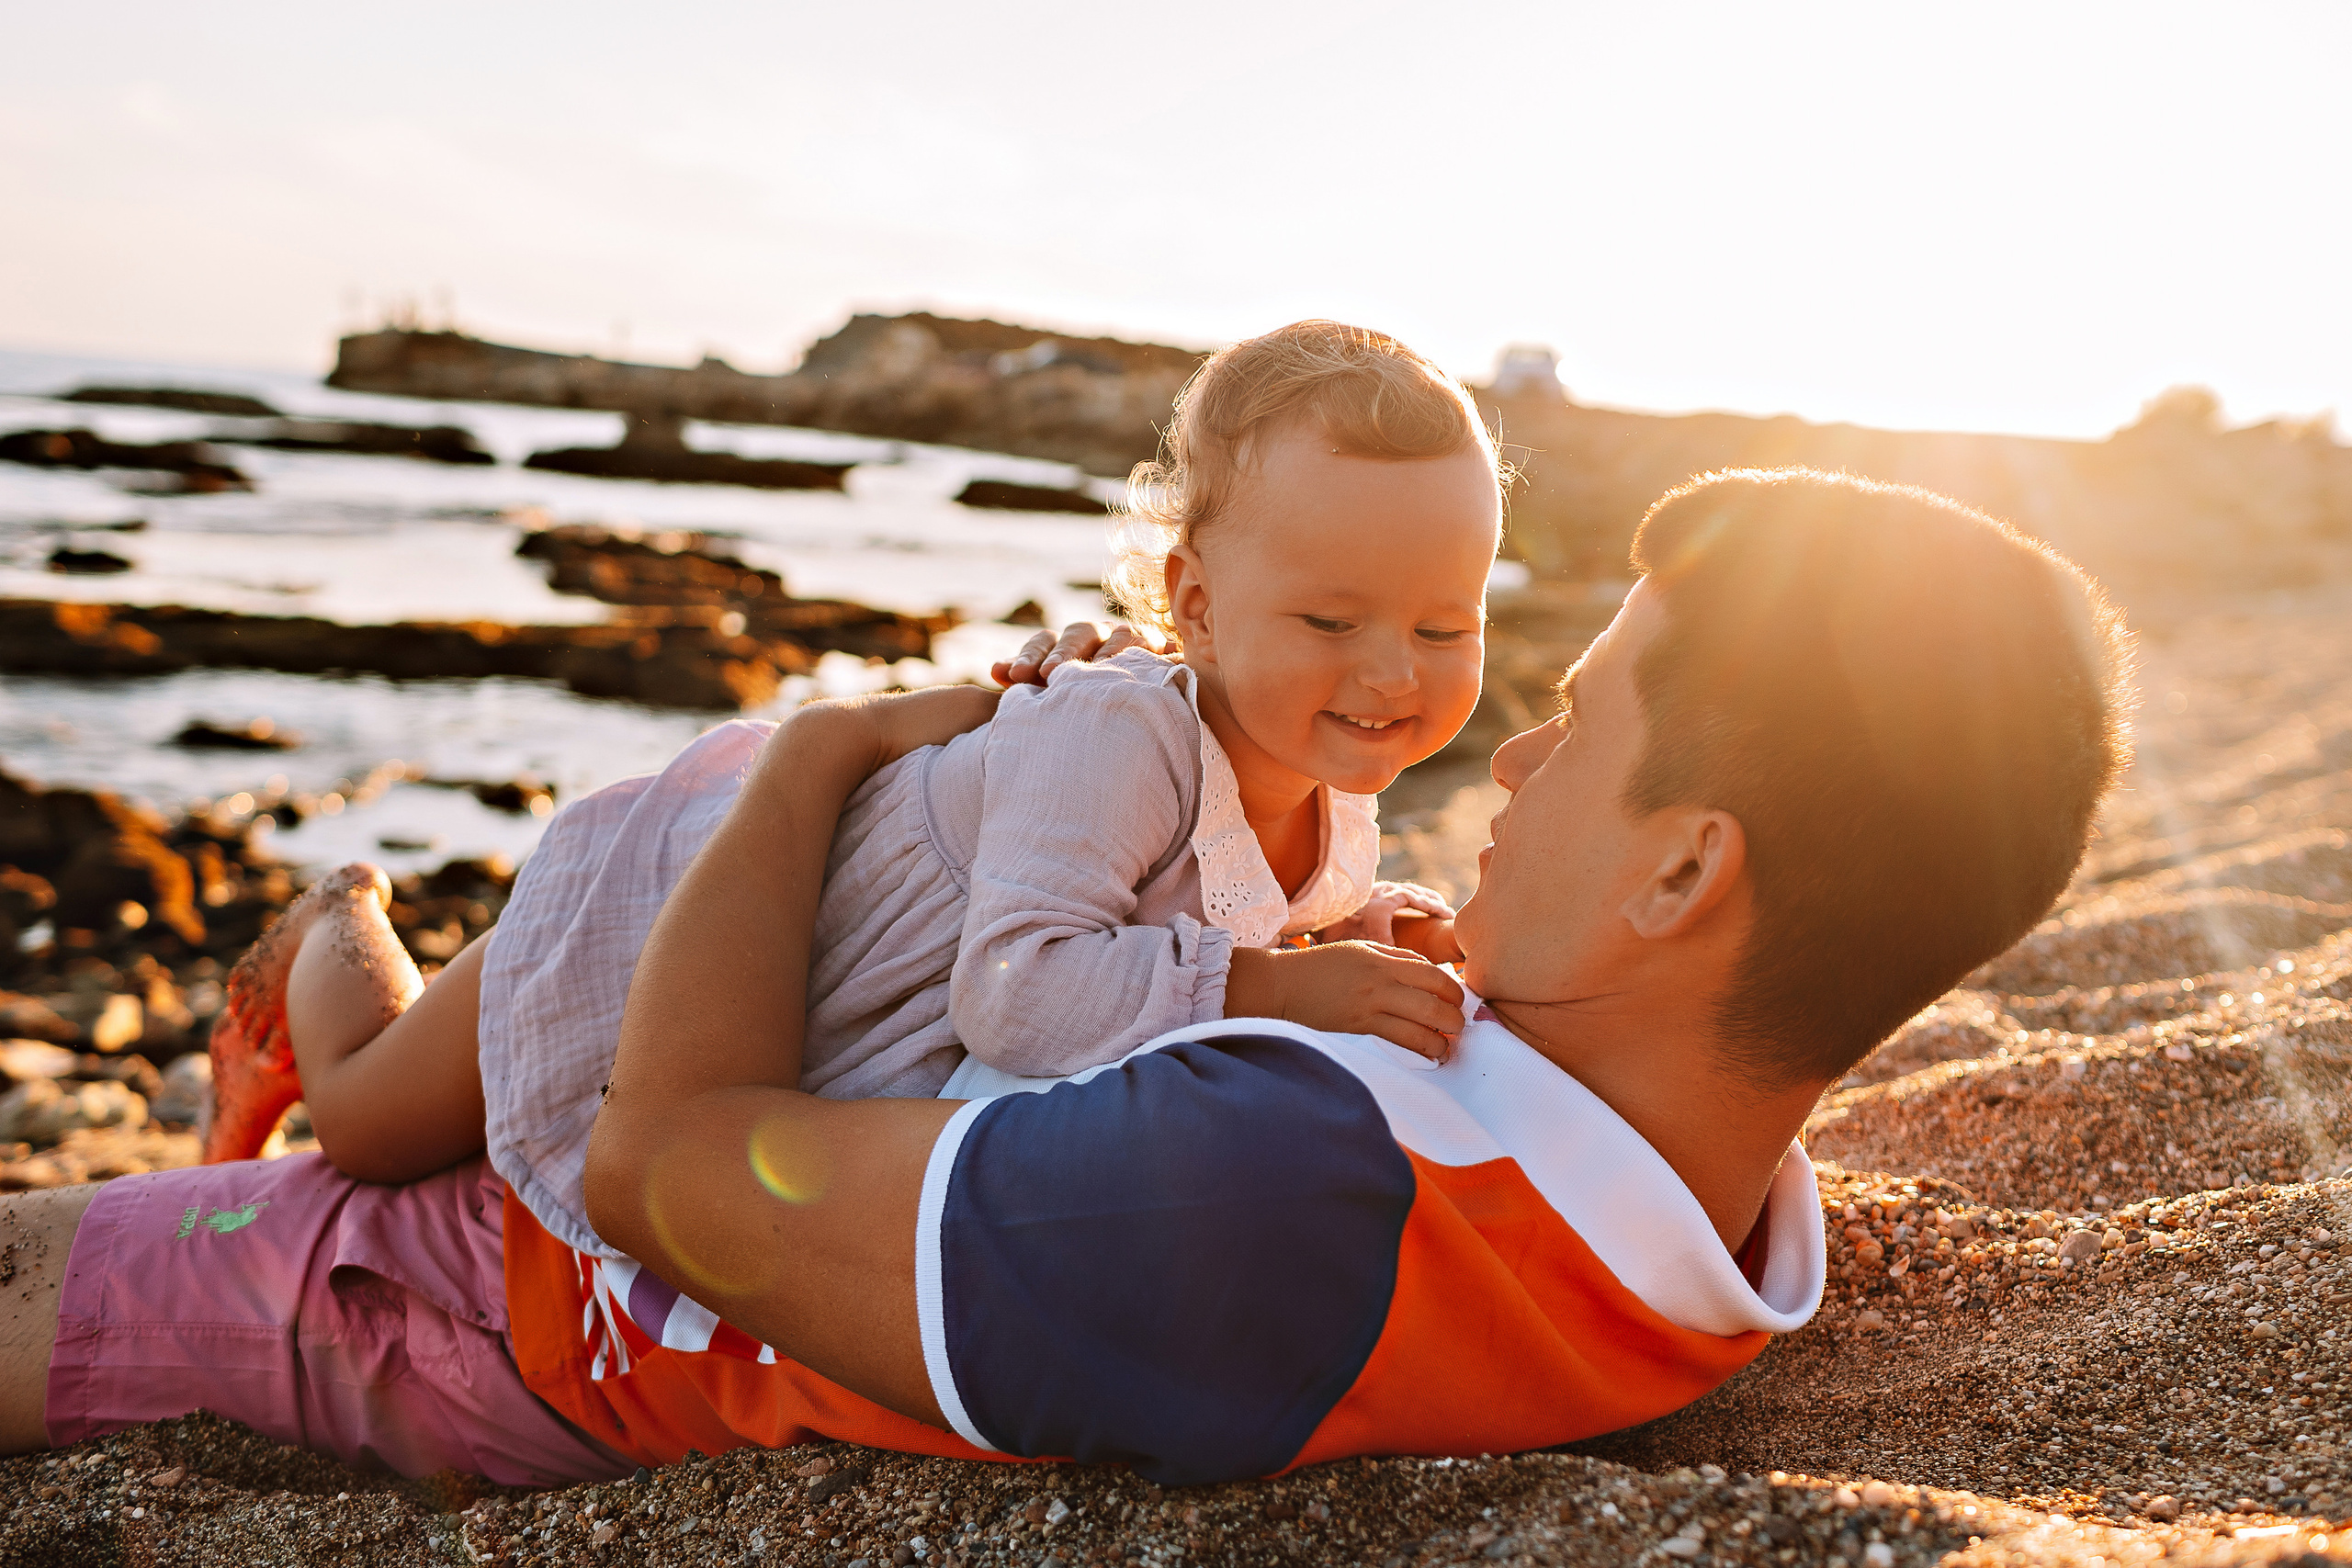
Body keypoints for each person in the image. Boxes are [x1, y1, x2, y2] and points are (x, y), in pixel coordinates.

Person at [4, 468, 2132, 1489]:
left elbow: (661, 1163)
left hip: (516, 1291)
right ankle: (343, 963)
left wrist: (823, 751)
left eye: (1578, 718)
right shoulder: (1728, 1215)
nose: (1519, 749)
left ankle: (331, 951)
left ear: (1684, 871)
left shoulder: (1272, 1186)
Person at [199, 321, 1500, 1269]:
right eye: (1333, 617)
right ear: (1198, 609)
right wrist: (1280, 988)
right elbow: (1020, 989)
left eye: (1446, 627)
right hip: (683, 919)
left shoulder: (1328, 792)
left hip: (793, 1012)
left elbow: (1203, 924)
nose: (1393, 674)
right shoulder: (1117, 735)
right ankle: (331, 920)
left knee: (399, 1144)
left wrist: (1362, 934)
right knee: (369, 1121)